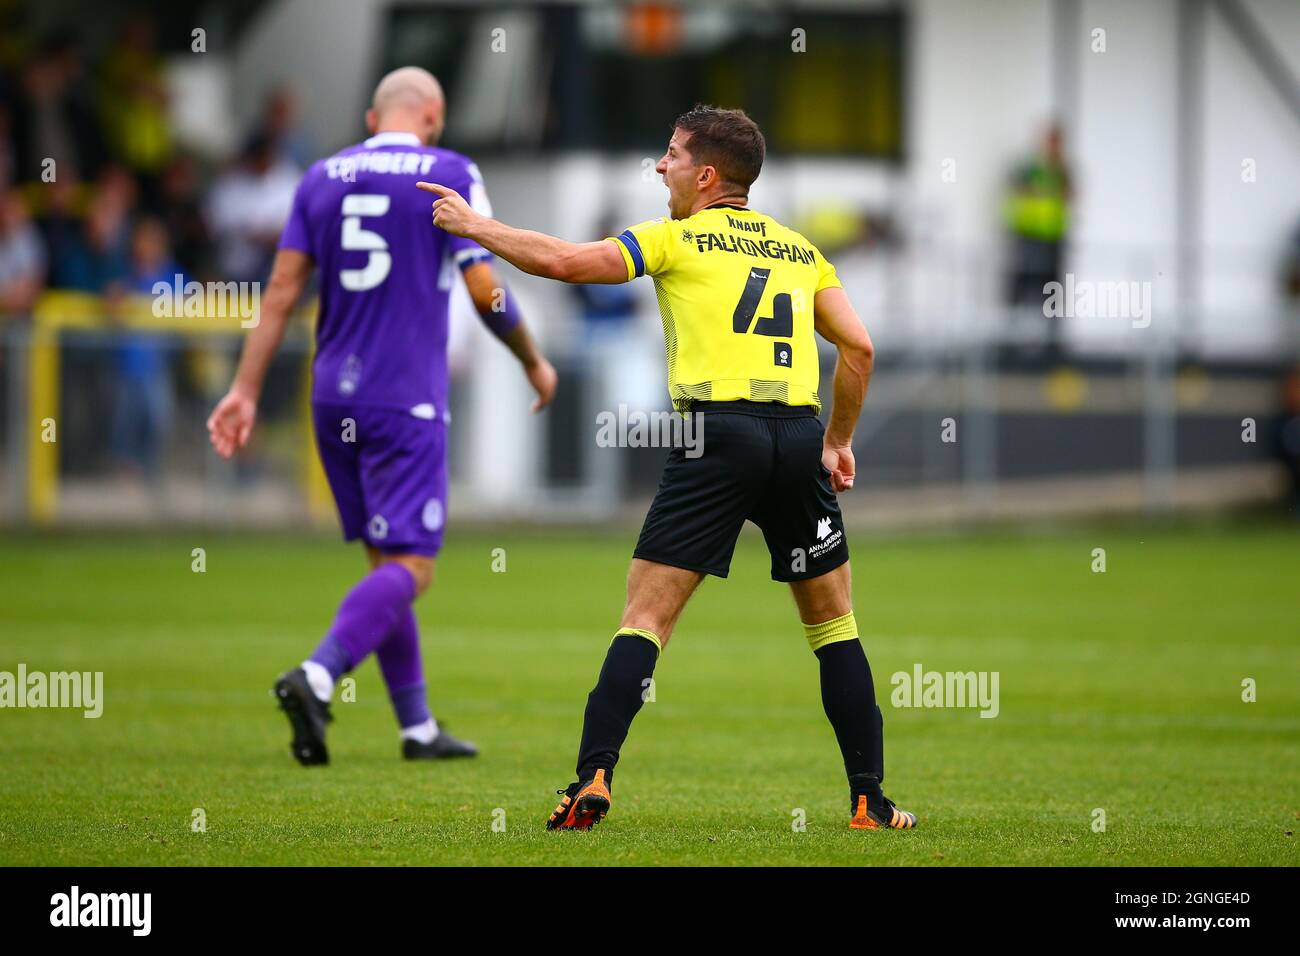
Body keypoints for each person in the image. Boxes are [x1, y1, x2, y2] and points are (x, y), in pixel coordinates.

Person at [418, 105, 915, 831]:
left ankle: (592, 778)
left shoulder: (675, 240)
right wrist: (837, 441)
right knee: (834, 625)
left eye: (673, 154)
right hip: (796, 436)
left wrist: (476, 228)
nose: (660, 165)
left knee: (646, 619)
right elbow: (860, 348)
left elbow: (562, 262)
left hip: (715, 436)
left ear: (707, 175)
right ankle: (870, 800)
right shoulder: (799, 251)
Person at [207, 66, 558, 765]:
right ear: (433, 115)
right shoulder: (449, 171)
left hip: (333, 394)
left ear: (373, 118)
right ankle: (316, 674)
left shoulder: (319, 177)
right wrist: (530, 357)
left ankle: (417, 727)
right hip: (406, 397)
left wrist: (244, 390)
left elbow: (278, 292)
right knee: (414, 567)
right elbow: (484, 288)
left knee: (385, 561)